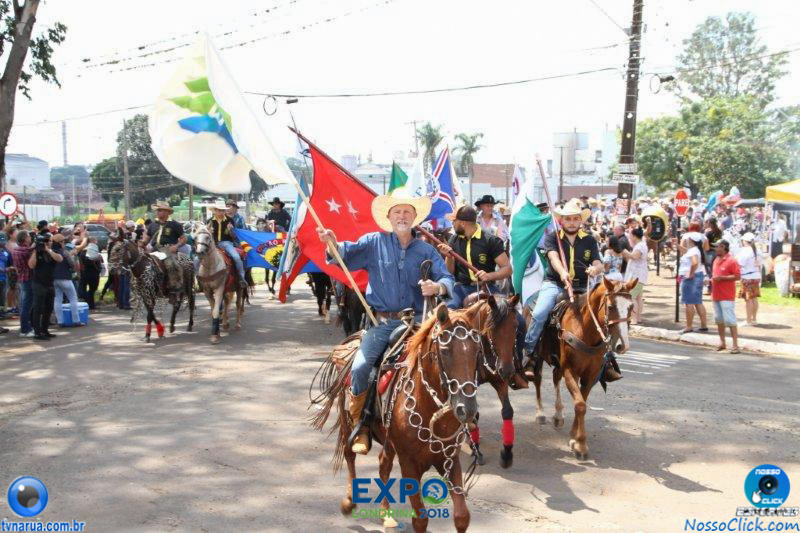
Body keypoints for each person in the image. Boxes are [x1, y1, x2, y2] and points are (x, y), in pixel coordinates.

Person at [316, 187, 454, 455]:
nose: (402, 216)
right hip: (381, 324)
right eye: (397, 211)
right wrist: (331, 242)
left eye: (407, 211)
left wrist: (438, 288)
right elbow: (343, 253)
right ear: (389, 217)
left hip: (418, 321)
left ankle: (457, 419)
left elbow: (448, 279)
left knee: (452, 360)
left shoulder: (427, 249)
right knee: (360, 367)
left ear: (414, 217)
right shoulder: (372, 242)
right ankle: (361, 425)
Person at [523, 199, 607, 356]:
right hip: (555, 284)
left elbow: (598, 262)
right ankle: (529, 351)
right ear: (561, 220)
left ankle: (607, 358)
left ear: (581, 220)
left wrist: (595, 269)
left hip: (583, 286)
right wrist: (562, 273)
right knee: (540, 313)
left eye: (576, 218)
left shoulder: (589, 240)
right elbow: (554, 258)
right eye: (568, 219)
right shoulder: (553, 238)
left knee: (604, 315)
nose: (572, 222)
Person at [437, 205, 510, 308]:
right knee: (447, 310)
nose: (452, 224)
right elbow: (450, 272)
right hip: (461, 288)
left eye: (454, 221)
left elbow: (507, 269)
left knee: (514, 318)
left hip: (486, 287)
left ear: (462, 223)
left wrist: (489, 276)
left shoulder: (491, 240)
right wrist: (449, 257)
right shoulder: (453, 240)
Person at [142, 201, 187, 294]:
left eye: (160, 210)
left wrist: (176, 246)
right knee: (142, 264)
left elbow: (183, 239)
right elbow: (146, 239)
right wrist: (141, 243)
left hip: (168, 249)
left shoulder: (175, 224)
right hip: (154, 250)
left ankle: (175, 286)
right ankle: (144, 286)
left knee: (171, 264)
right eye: (157, 211)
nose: (157, 212)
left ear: (167, 212)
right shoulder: (153, 224)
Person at [27, 232, 63, 340]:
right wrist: (35, 251)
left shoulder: (53, 251)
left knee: (48, 308)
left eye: (49, 241)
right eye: (45, 241)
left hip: (49, 283)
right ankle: (37, 332)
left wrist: (48, 249)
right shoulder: (36, 252)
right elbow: (31, 265)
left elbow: (59, 259)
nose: (47, 243)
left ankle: (45, 329)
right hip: (38, 283)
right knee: (38, 308)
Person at [206, 200, 248, 288]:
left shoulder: (230, 221)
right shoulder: (209, 221)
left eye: (221, 210)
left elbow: (233, 237)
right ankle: (200, 279)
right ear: (215, 210)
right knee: (198, 258)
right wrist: (208, 232)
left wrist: (231, 230)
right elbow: (206, 236)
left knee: (236, 257)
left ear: (224, 211)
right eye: (218, 210)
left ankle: (241, 278)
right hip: (212, 244)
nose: (219, 212)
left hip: (226, 243)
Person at [711, 239, 741, 353]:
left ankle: (735, 345)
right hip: (716, 294)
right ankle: (722, 342)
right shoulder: (716, 260)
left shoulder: (732, 260)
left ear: (723, 247)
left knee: (730, 320)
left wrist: (722, 278)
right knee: (719, 319)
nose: (715, 249)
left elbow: (737, 276)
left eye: (717, 246)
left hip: (727, 295)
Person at [51, 234, 83, 327]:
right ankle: (76, 320)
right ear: (60, 242)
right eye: (63, 242)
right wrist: (72, 255)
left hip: (54, 278)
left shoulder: (51, 252)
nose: (64, 243)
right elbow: (72, 264)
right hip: (65, 277)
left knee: (57, 299)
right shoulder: (64, 252)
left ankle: (60, 321)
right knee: (73, 298)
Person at [678, 236, 708, 334]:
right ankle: (704, 325)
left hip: (691, 278)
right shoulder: (695, 250)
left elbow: (694, 262)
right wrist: (677, 246)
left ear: (691, 240)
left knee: (688, 302)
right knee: (698, 302)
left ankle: (689, 326)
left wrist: (690, 273)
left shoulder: (693, 251)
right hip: (697, 276)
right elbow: (687, 253)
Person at [622, 227, 648, 325]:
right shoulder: (641, 244)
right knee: (638, 297)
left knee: (632, 297)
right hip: (639, 275)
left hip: (636, 276)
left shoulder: (640, 246)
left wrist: (624, 251)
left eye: (630, 235)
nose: (629, 237)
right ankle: (638, 318)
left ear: (634, 236)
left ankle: (634, 319)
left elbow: (634, 256)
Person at [11, 230, 34, 337]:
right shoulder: (25, 251)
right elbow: (30, 251)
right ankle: (25, 330)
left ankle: (26, 327)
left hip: (23, 279)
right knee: (26, 305)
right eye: (29, 236)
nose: (30, 238)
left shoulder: (16, 249)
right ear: (25, 238)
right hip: (28, 279)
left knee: (25, 304)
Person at [736, 233, 761, 326]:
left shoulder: (745, 251)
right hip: (756, 276)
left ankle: (748, 321)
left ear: (745, 241)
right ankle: (754, 319)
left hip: (747, 277)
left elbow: (740, 263)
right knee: (753, 298)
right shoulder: (758, 250)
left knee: (749, 299)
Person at [78, 239, 103, 310]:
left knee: (87, 289)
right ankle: (90, 303)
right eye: (95, 242)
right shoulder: (91, 252)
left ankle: (88, 303)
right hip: (93, 273)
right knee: (92, 289)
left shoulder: (83, 252)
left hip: (86, 273)